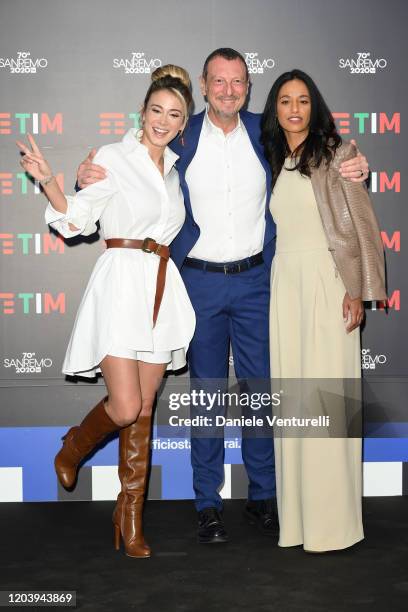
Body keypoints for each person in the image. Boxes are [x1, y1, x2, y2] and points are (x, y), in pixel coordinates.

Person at [77, 48, 370, 545]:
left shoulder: (268, 131)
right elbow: (130, 155)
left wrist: (355, 163)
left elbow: (319, 153)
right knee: (208, 396)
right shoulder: (181, 132)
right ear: (205, 85)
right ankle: (207, 504)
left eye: (238, 82)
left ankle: (263, 498)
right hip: (198, 283)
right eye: (219, 81)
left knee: (260, 396)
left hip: (260, 281)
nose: (228, 90)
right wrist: (86, 176)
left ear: (249, 87)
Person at [16, 65, 196, 558]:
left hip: (160, 289)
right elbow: (77, 218)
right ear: (142, 112)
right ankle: (72, 447)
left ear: (184, 123)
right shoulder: (113, 157)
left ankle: (130, 514)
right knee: (122, 406)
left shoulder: (176, 171)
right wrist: (51, 181)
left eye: (174, 114)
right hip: (120, 283)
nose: (163, 120)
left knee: (144, 406)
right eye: (156, 110)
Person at [261, 69, 386, 552]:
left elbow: (365, 228)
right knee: (295, 403)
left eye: (304, 101)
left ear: (316, 107)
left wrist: (358, 291)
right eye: (286, 101)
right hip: (285, 286)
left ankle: (333, 523)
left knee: (330, 402)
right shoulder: (273, 156)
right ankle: (298, 521)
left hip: (329, 281)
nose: (295, 109)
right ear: (274, 108)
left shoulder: (340, 154)